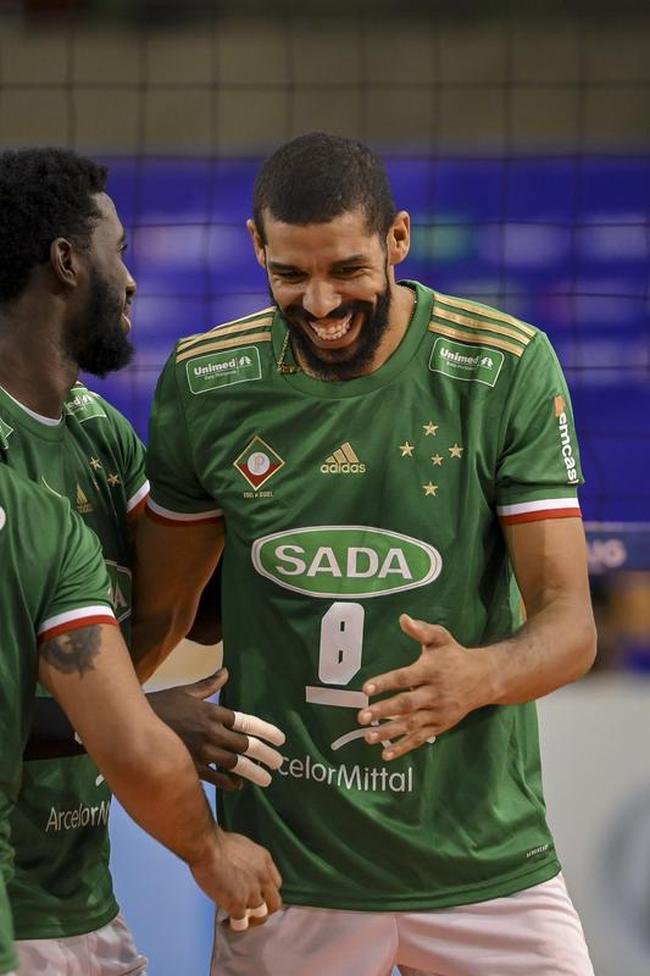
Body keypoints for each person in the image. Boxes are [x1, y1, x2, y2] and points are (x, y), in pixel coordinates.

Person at [133, 132, 597, 976]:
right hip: (286, 874)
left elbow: (571, 625)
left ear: (398, 238)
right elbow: (161, 616)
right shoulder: (207, 383)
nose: (320, 303)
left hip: (485, 863)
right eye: (290, 274)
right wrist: (108, 721)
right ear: (256, 247)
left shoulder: (504, 367)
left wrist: (478, 676)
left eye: (347, 270)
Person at [0, 147, 285, 975]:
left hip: (85, 892)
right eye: (116, 252)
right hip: (15, 903)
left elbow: (196, 602)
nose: (129, 281)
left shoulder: (97, 432)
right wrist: (140, 723)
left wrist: (258, 467)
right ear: (66, 261)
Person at [0, 463, 282, 976]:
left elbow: (195, 613)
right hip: (19, 902)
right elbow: (129, 740)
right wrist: (210, 849)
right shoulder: (34, 515)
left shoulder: (78, 472)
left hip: (83, 896)